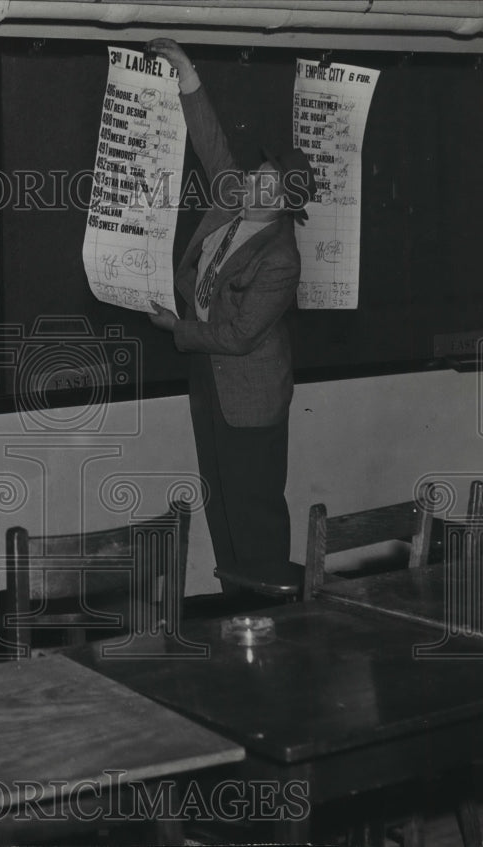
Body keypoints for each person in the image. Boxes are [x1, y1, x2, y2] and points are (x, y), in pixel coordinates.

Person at [144, 38, 317, 595]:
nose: (252, 181)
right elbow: (210, 141)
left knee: (255, 505)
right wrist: (185, 70)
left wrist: (178, 330)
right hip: (209, 378)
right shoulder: (233, 199)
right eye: (259, 171)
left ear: (286, 204)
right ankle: (237, 608)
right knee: (218, 493)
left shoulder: (281, 259)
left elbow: (240, 336)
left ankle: (275, 617)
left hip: (247, 387)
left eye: (266, 182)